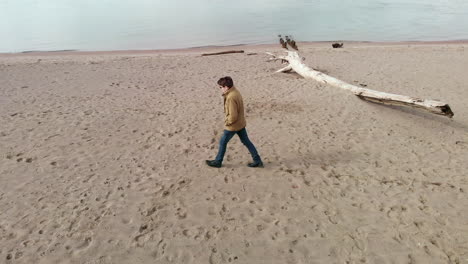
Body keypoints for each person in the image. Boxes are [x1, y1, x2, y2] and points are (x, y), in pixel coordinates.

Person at [206, 76, 263, 168]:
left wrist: (227, 123)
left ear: (226, 87)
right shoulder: (235, 92)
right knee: (247, 142)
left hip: (233, 126)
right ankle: (257, 160)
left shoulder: (231, 97)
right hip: (240, 123)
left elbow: (233, 116)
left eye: (221, 87)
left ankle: (218, 161)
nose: (220, 89)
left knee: (222, 142)